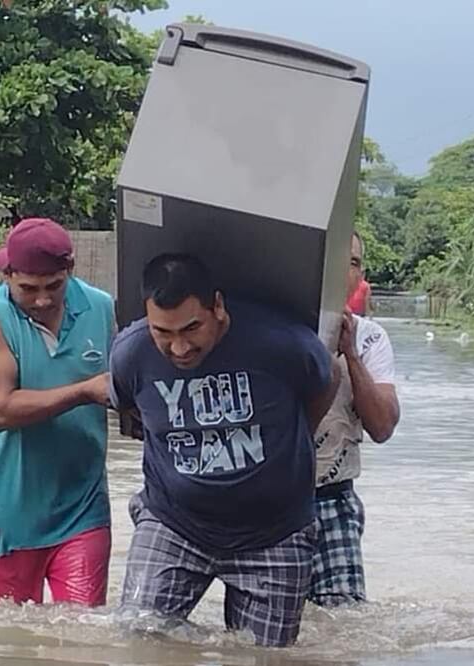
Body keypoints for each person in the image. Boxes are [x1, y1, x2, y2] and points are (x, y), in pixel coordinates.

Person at [109, 253, 338, 647]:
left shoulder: (283, 343)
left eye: (191, 328)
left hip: (275, 533)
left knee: (267, 657)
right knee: (137, 639)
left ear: (217, 305)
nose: (179, 347)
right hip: (173, 524)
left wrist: (295, 441)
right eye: (163, 332)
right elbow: (129, 405)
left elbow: (325, 382)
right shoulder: (131, 352)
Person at [0, 217, 115, 606]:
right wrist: (84, 391)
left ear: (70, 269)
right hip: (9, 515)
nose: (43, 299)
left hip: (84, 508)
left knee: (82, 639)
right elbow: (0, 411)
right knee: (6, 642)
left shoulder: (100, 308)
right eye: (28, 288)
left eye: (54, 286)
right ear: (7, 273)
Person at [309, 232, 400, 608]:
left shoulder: (369, 338)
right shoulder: (270, 330)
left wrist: (349, 353)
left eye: (355, 263)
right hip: (266, 501)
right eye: (338, 260)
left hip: (332, 499)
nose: (346, 271)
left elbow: (383, 427)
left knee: (341, 621)